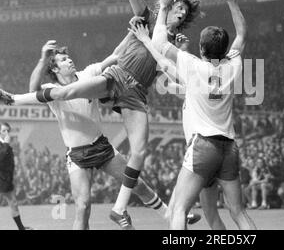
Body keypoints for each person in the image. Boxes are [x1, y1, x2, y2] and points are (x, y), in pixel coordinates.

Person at [0, 0, 202, 229]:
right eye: (177, 7)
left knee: (140, 156)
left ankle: (149, 213)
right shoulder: (148, 16)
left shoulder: (169, 41)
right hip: (105, 102)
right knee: (82, 203)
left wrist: (176, 51)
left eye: (184, 12)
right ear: (167, 7)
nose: (180, 12)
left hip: (126, 107)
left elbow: (157, 69)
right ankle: (11, 97)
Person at [27, 40, 199, 229]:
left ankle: (171, 215)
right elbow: (32, 91)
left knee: (138, 185)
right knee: (83, 207)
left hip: (100, 147)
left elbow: (116, 54)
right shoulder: (51, 90)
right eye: (63, 60)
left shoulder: (87, 74)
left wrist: (133, 32)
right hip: (76, 155)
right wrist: (43, 59)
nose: (69, 61)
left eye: (68, 58)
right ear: (55, 69)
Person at [129, 0, 256, 230]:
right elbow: (242, 33)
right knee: (236, 212)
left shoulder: (194, 66)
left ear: (201, 48)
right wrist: (231, 0)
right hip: (229, 148)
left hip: (203, 146)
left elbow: (161, 47)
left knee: (178, 209)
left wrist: (163, 7)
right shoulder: (232, 65)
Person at [0, 122, 33, 230]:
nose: (7, 133)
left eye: (8, 131)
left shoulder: (6, 144)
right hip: (2, 179)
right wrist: (6, 144)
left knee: (13, 203)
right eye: (4, 130)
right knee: (12, 202)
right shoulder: (5, 144)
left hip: (5, 179)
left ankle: (21, 228)